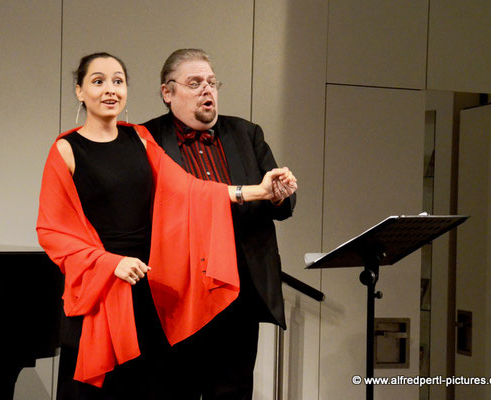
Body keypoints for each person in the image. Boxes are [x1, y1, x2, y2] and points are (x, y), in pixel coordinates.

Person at [36, 52, 297, 400]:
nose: (110, 89)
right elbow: (54, 231)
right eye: (98, 81)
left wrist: (260, 191)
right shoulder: (76, 148)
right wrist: (110, 262)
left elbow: (190, 191)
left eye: (118, 81)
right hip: (124, 285)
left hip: (173, 286)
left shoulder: (142, 140)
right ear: (80, 91)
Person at [142, 48, 297, 399]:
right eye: (194, 83)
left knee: (233, 392)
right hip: (178, 293)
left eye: (211, 82)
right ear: (168, 92)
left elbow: (282, 206)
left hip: (238, 292)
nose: (206, 90)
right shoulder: (147, 139)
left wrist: (279, 192)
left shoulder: (246, 133)